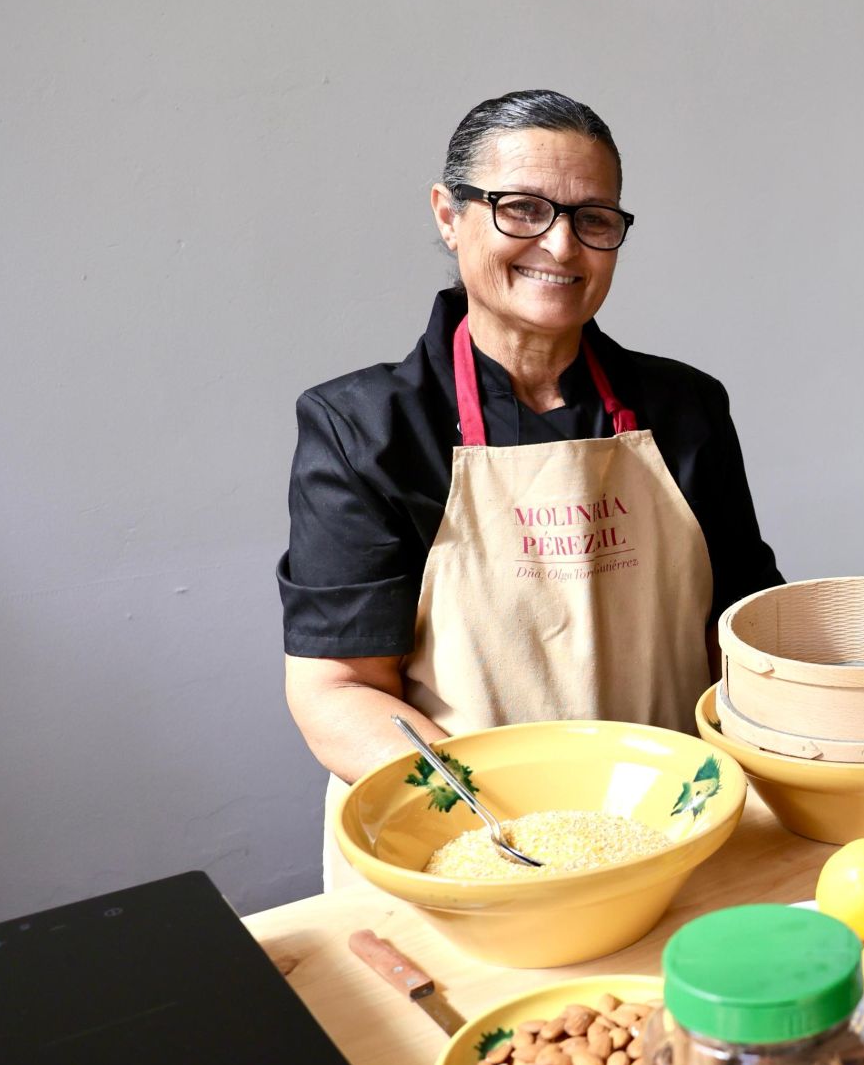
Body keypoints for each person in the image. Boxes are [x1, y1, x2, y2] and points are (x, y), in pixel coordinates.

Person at [279, 90, 782, 882]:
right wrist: (495, 829)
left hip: (668, 837)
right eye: (522, 209)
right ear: (448, 214)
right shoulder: (366, 429)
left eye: (594, 219)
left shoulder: (686, 409)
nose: (561, 244)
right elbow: (339, 689)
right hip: (462, 853)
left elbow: (745, 630)